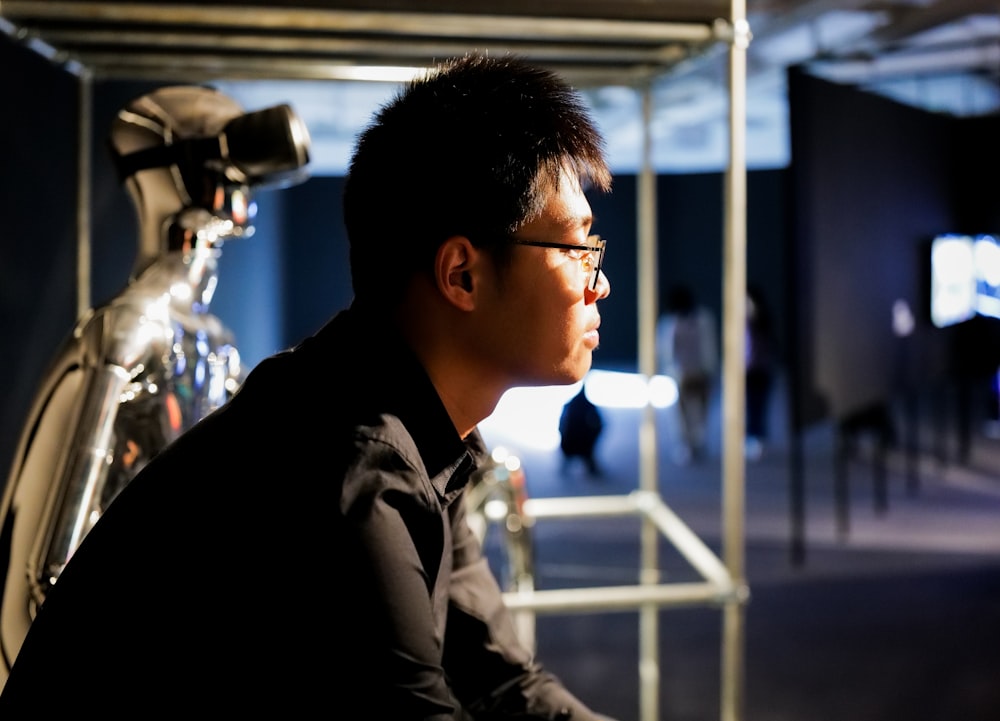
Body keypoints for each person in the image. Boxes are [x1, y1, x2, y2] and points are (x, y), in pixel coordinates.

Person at [0, 53, 614, 719]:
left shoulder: (403, 422)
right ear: (461, 273)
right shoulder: (349, 469)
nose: (598, 279)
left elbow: (501, 682)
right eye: (577, 247)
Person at [0, 85, 309, 687]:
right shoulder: (129, 329)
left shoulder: (213, 341)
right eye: (225, 169)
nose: (239, 191)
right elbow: (47, 567)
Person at [656, 283, 719, 463]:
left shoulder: (703, 319)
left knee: (701, 409)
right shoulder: (670, 323)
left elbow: (709, 346)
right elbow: (666, 350)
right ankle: (687, 443)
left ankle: (698, 440)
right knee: (682, 412)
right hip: (682, 373)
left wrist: (709, 369)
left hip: (700, 371)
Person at [745, 285, 778, 461]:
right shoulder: (740, 320)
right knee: (750, 405)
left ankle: (758, 437)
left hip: (760, 368)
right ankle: (751, 437)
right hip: (747, 369)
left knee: (758, 404)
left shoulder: (761, 319)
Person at [559, 383, 605, 476]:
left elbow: (599, 424)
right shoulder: (585, 406)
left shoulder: (571, 405)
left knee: (583, 458)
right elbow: (599, 424)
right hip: (577, 440)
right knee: (579, 458)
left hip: (577, 440)